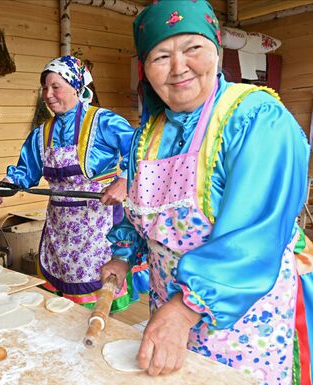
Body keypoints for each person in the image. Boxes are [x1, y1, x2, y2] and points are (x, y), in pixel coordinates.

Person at [100, 0, 310, 383]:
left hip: (243, 321)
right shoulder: (149, 133)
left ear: (217, 49)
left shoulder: (256, 118)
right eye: (161, 55)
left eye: (192, 48)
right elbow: (139, 210)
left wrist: (183, 312)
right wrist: (122, 256)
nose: (179, 67)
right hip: (167, 307)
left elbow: (256, 237)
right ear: (145, 70)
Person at [0, 55, 144, 313]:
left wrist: (124, 181)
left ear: (77, 87)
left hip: (98, 227)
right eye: (44, 88)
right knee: (63, 306)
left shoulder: (103, 122)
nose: (48, 94)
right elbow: (25, 172)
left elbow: (140, 150)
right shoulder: (41, 134)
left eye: (55, 86)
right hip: (60, 230)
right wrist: (5, 187)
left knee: (99, 298)